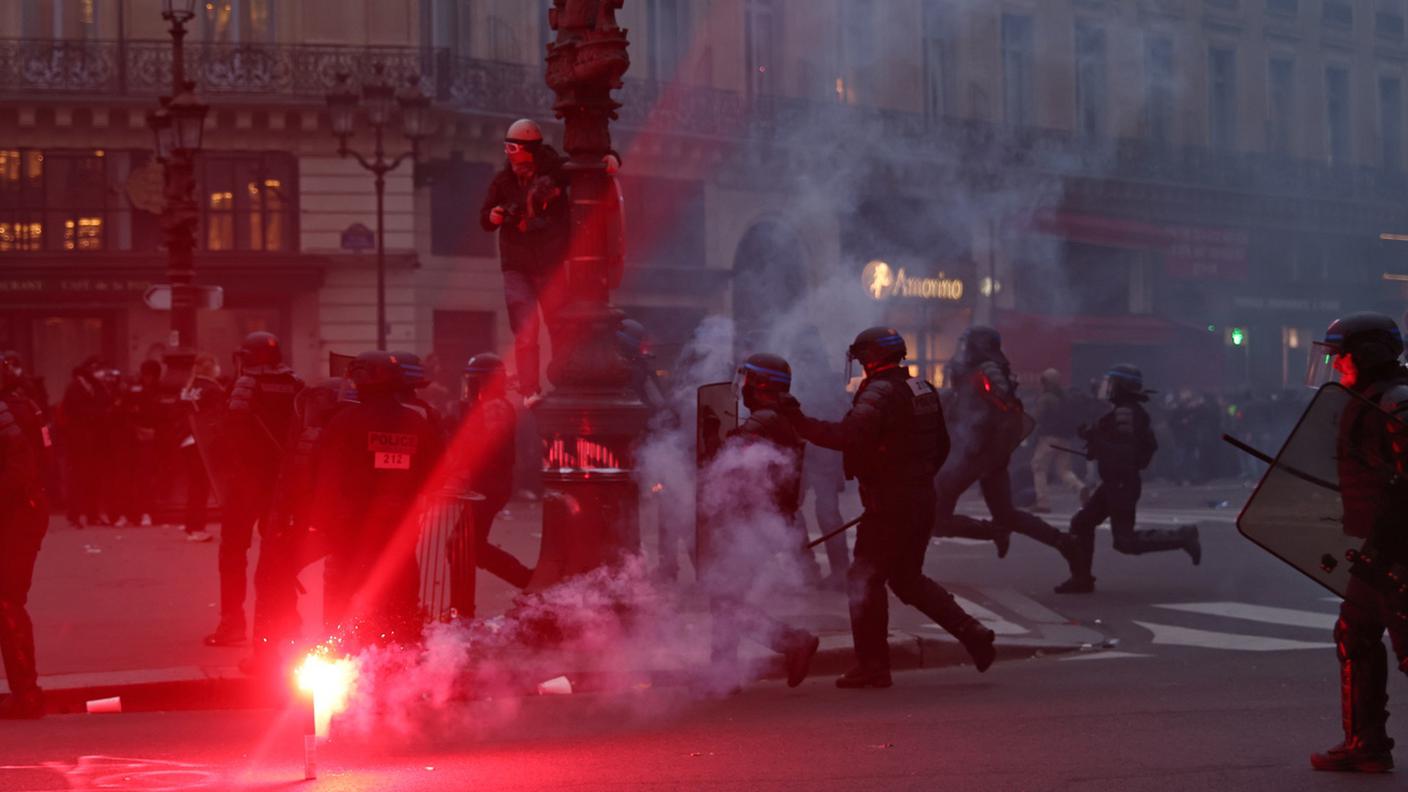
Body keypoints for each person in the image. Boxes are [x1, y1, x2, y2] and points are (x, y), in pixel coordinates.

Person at [784, 327, 995, 688]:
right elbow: (941, 446)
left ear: (872, 356)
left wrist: (798, 422)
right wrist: (914, 478)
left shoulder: (880, 392)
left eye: (863, 355)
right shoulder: (922, 388)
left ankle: (873, 666)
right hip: (919, 497)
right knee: (907, 579)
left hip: (890, 502)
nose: (861, 362)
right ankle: (972, 633)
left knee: (863, 580)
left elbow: (847, 436)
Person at [1305, 313, 1408, 773]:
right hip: (1380, 548)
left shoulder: (1398, 401)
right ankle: (1367, 743)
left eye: (1341, 355)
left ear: (1366, 354)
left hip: (1400, 549)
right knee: (1355, 630)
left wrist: (1387, 546)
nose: (1338, 365)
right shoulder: (1367, 399)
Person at [700, 353, 821, 689]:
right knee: (727, 597)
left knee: (726, 598)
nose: (745, 389)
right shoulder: (782, 418)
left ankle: (792, 643)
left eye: (750, 381)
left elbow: (725, 462)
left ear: (762, 385)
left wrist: (710, 434)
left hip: (753, 520)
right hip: (765, 519)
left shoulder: (764, 421)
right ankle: (724, 673)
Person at [315, 351, 443, 647]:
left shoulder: (344, 422)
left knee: (344, 597)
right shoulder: (415, 421)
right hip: (400, 527)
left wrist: (320, 524)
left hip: (351, 530)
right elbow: (435, 471)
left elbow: (326, 477)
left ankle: (345, 656)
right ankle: (401, 657)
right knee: (401, 594)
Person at [932, 327, 1077, 567]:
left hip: (975, 454)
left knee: (936, 517)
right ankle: (1065, 543)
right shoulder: (976, 370)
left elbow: (999, 409)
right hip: (984, 454)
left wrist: (975, 432)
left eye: (968, 345)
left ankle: (993, 532)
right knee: (1006, 514)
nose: (963, 350)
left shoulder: (988, 370)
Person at [1055, 365, 1201, 594]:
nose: (1108, 388)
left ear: (1121, 387)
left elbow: (1122, 453)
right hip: (1116, 482)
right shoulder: (1127, 411)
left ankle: (1182, 536)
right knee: (1082, 523)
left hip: (1121, 483)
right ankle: (1082, 578)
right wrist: (1094, 440)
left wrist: (1098, 442)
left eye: (1112, 384)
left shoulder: (1126, 414)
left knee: (1125, 541)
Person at [243, 378, 347, 678]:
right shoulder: (344, 429)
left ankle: (272, 652)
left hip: (310, 524)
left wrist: (291, 522)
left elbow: (298, 482)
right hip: (342, 524)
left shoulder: (312, 435)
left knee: (272, 578)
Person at [205, 332, 303, 647]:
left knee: (233, 551)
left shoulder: (247, 384)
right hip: (283, 481)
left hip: (248, 481)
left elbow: (232, 429)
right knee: (278, 553)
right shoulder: (296, 385)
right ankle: (286, 622)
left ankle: (232, 624)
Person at [479, 119, 572, 407]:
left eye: (514, 148)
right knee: (525, 329)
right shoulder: (503, 181)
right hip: (517, 264)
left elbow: (585, 166)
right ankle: (530, 388)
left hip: (550, 261)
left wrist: (611, 158)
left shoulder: (556, 171)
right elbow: (485, 218)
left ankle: (563, 381)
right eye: (506, 149)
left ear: (530, 150)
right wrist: (493, 216)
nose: (510, 155)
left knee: (560, 325)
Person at [447, 353, 533, 618]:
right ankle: (525, 581)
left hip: (487, 486)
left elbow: (489, 446)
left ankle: (526, 581)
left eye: (475, 380)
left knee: (461, 546)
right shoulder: (487, 405)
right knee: (463, 546)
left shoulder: (494, 407)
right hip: (486, 484)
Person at [618, 318, 688, 580]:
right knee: (666, 505)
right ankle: (663, 565)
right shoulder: (641, 368)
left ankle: (657, 566)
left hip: (654, 446)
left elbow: (651, 409)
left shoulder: (632, 371)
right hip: (656, 444)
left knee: (662, 505)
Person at [0, 354, 50, 718]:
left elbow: (18, 471)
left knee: (7, 600)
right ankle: (26, 691)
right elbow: (46, 458)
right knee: (9, 600)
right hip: (29, 511)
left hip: (14, 514)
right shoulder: (28, 407)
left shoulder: (6, 413)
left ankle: (26, 693)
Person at [59, 357, 112, 529]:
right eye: (97, 369)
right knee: (78, 478)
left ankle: (91, 513)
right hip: (79, 440)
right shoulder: (76, 387)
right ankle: (76, 514)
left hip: (94, 440)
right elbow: (76, 412)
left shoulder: (97, 386)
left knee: (93, 478)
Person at [177, 354, 225, 543]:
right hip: (203, 442)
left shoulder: (188, 388)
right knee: (201, 485)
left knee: (195, 485)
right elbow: (217, 418)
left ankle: (192, 524)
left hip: (186, 440)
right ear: (211, 368)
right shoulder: (213, 389)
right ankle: (196, 527)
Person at [1030, 368, 1084, 513]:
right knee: (1064, 471)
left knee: (1039, 467)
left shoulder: (1046, 398)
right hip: (1065, 440)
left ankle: (1043, 503)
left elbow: (1036, 418)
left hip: (1048, 439)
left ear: (1046, 382)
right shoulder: (1065, 398)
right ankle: (1081, 489)